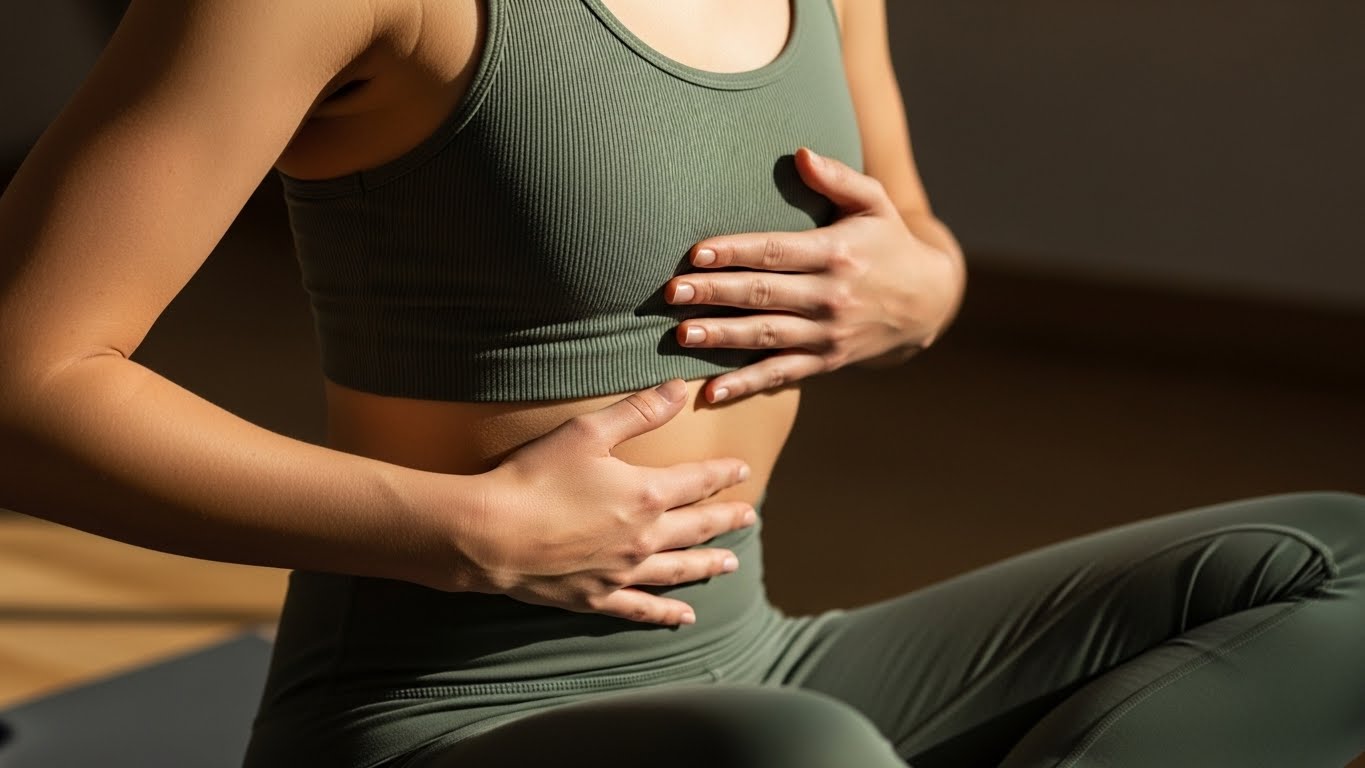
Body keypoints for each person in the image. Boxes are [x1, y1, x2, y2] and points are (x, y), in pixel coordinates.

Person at [0, 0, 1361, 766]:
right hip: (438, 713)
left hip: (753, 654)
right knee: (800, 762)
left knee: (1341, 567)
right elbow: (26, 383)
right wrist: (462, 527)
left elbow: (915, 242)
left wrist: (918, 293)